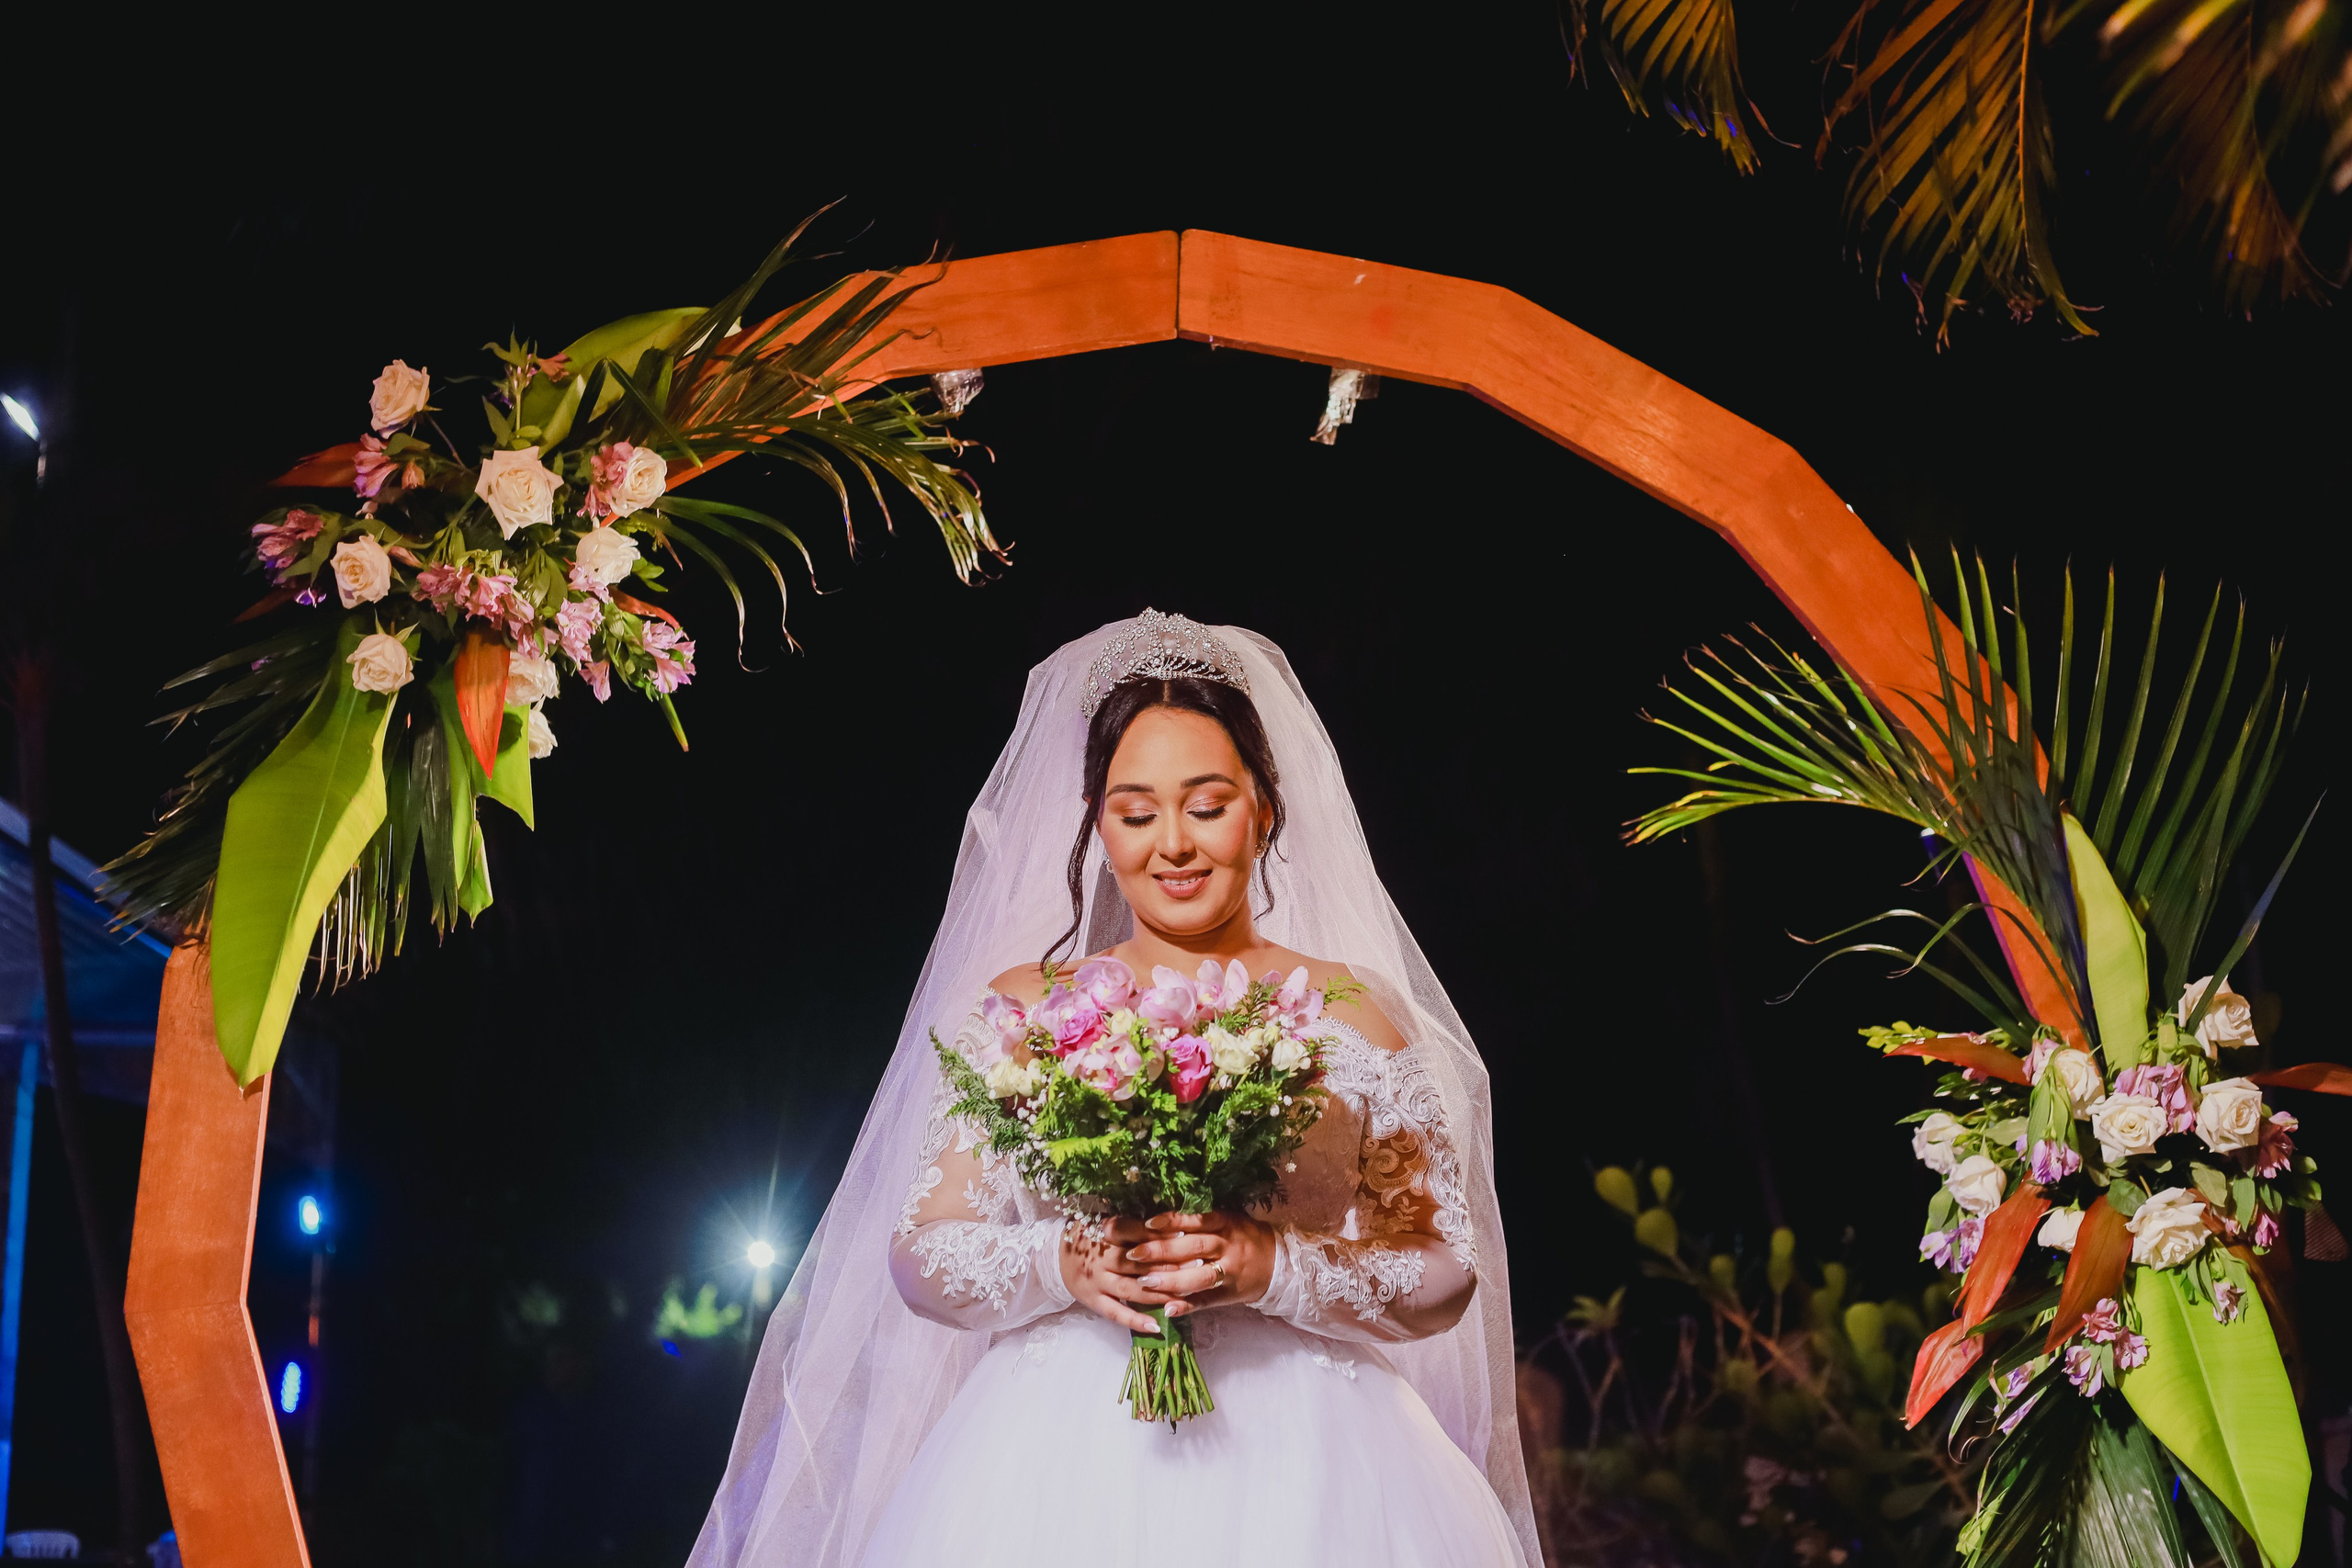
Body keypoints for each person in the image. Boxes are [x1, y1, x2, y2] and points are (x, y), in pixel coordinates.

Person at [688, 613, 1535, 1567]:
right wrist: (1068, 1261)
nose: (1172, 844)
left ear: (1263, 806)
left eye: (1206, 805)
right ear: (1100, 824)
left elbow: (1441, 1265)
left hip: (1315, 1464)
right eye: (1136, 814)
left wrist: (1274, 1267)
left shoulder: (1349, 1011)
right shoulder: (1024, 1012)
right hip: (1054, 1462)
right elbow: (923, 1251)